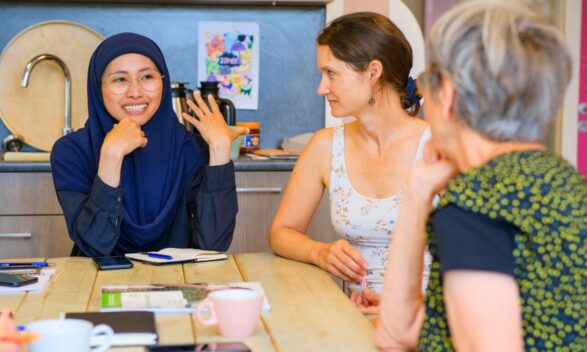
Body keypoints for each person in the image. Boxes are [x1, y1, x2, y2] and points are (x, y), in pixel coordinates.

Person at [375, 1, 587, 351]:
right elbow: (398, 333)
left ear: (449, 97)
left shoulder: (476, 208)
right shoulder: (566, 181)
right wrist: (417, 192)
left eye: (427, 82)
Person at [269, 12, 430, 308]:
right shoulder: (325, 146)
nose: (321, 88)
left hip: (427, 319)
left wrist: (412, 308)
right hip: (354, 314)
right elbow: (282, 232)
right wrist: (320, 252)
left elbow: (478, 257)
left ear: (373, 72)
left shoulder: (438, 147)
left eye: (331, 73)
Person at [51, 33, 246, 257]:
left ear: (162, 81)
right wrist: (111, 156)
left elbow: (214, 246)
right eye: (120, 79)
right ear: (98, 88)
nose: (135, 93)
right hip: (97, 282)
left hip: (177, 282)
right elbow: (94, 245)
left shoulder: (190, 149)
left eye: (147, 77)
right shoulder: (71, 152)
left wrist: (220, 151)